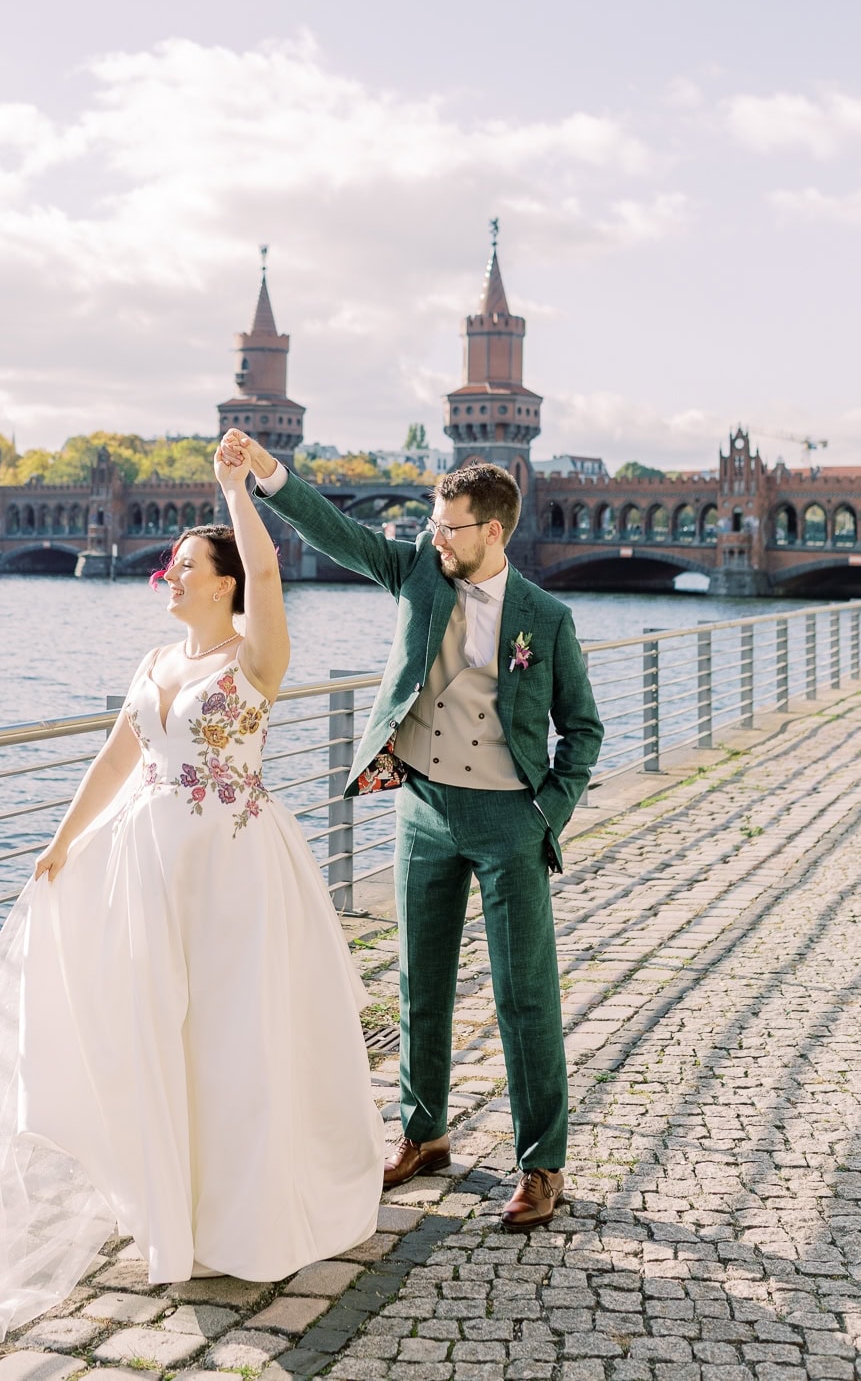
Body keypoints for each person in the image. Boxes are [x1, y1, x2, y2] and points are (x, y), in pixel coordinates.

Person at [0, 443, 384, 1339]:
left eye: (188, 566)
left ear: (227, 583)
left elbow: (266, 559)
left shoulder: (257, 658)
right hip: (146, 872)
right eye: (173, 568)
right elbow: (118, 756)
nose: (172, 576)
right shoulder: (154, 660)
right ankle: (171, 1207)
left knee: (235, 1041)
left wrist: (235, 491)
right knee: (159, 1038)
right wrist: (61, 841)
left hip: (234, 874)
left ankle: (247, 1216)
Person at [219, 430, 603, 1231]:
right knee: (418, 984)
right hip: (423, 806)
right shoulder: (420, 572)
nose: (435, 536)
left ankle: (542, 1164)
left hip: (509, 819)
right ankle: (424, 1134)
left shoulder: (547, 618)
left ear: (493, 531)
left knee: (523, 996)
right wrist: (268, 475)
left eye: (450, 526)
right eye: (434, 523)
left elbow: (585, 731)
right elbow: (340, 532)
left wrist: (547, 815)